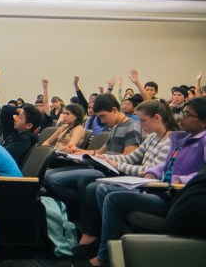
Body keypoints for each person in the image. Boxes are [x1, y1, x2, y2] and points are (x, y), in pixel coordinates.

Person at [80, 97, 206, 267]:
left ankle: (105, 256)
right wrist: (153, 171)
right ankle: (114, 245)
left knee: (113, 198)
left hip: (177, 199)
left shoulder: (202, 141)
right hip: (160, 190)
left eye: (187, 114)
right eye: (182, 112)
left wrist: (181, 179)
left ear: (203, 120)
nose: (181, 117)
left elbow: (202, 175)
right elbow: (165, 164)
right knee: (105, 191)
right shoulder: (183, 139)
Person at [73, 99, 176, 257]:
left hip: (156, 190)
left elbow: (150, 171)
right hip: (143, 185)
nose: (140, 125)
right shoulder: (153, 137)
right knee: (101, 188)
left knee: (104, 190)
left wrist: (117, 164)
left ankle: (106, 252)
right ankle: (111, 241)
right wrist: (106, 159)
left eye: (143, 120)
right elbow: (131, 158)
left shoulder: (170, 141)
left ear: (157, 118)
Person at [44, 94, 141, 218]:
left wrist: (104, 158)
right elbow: (100, 152)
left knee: (55, 179)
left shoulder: (132, 126)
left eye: (103, 116)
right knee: (47, 176)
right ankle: (74, 212)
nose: (101, 121)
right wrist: (79, 151)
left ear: (114, 110)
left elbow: (129, 157)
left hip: (113, 171)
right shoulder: (115, 127)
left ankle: (79, 212)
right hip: (101, 166)